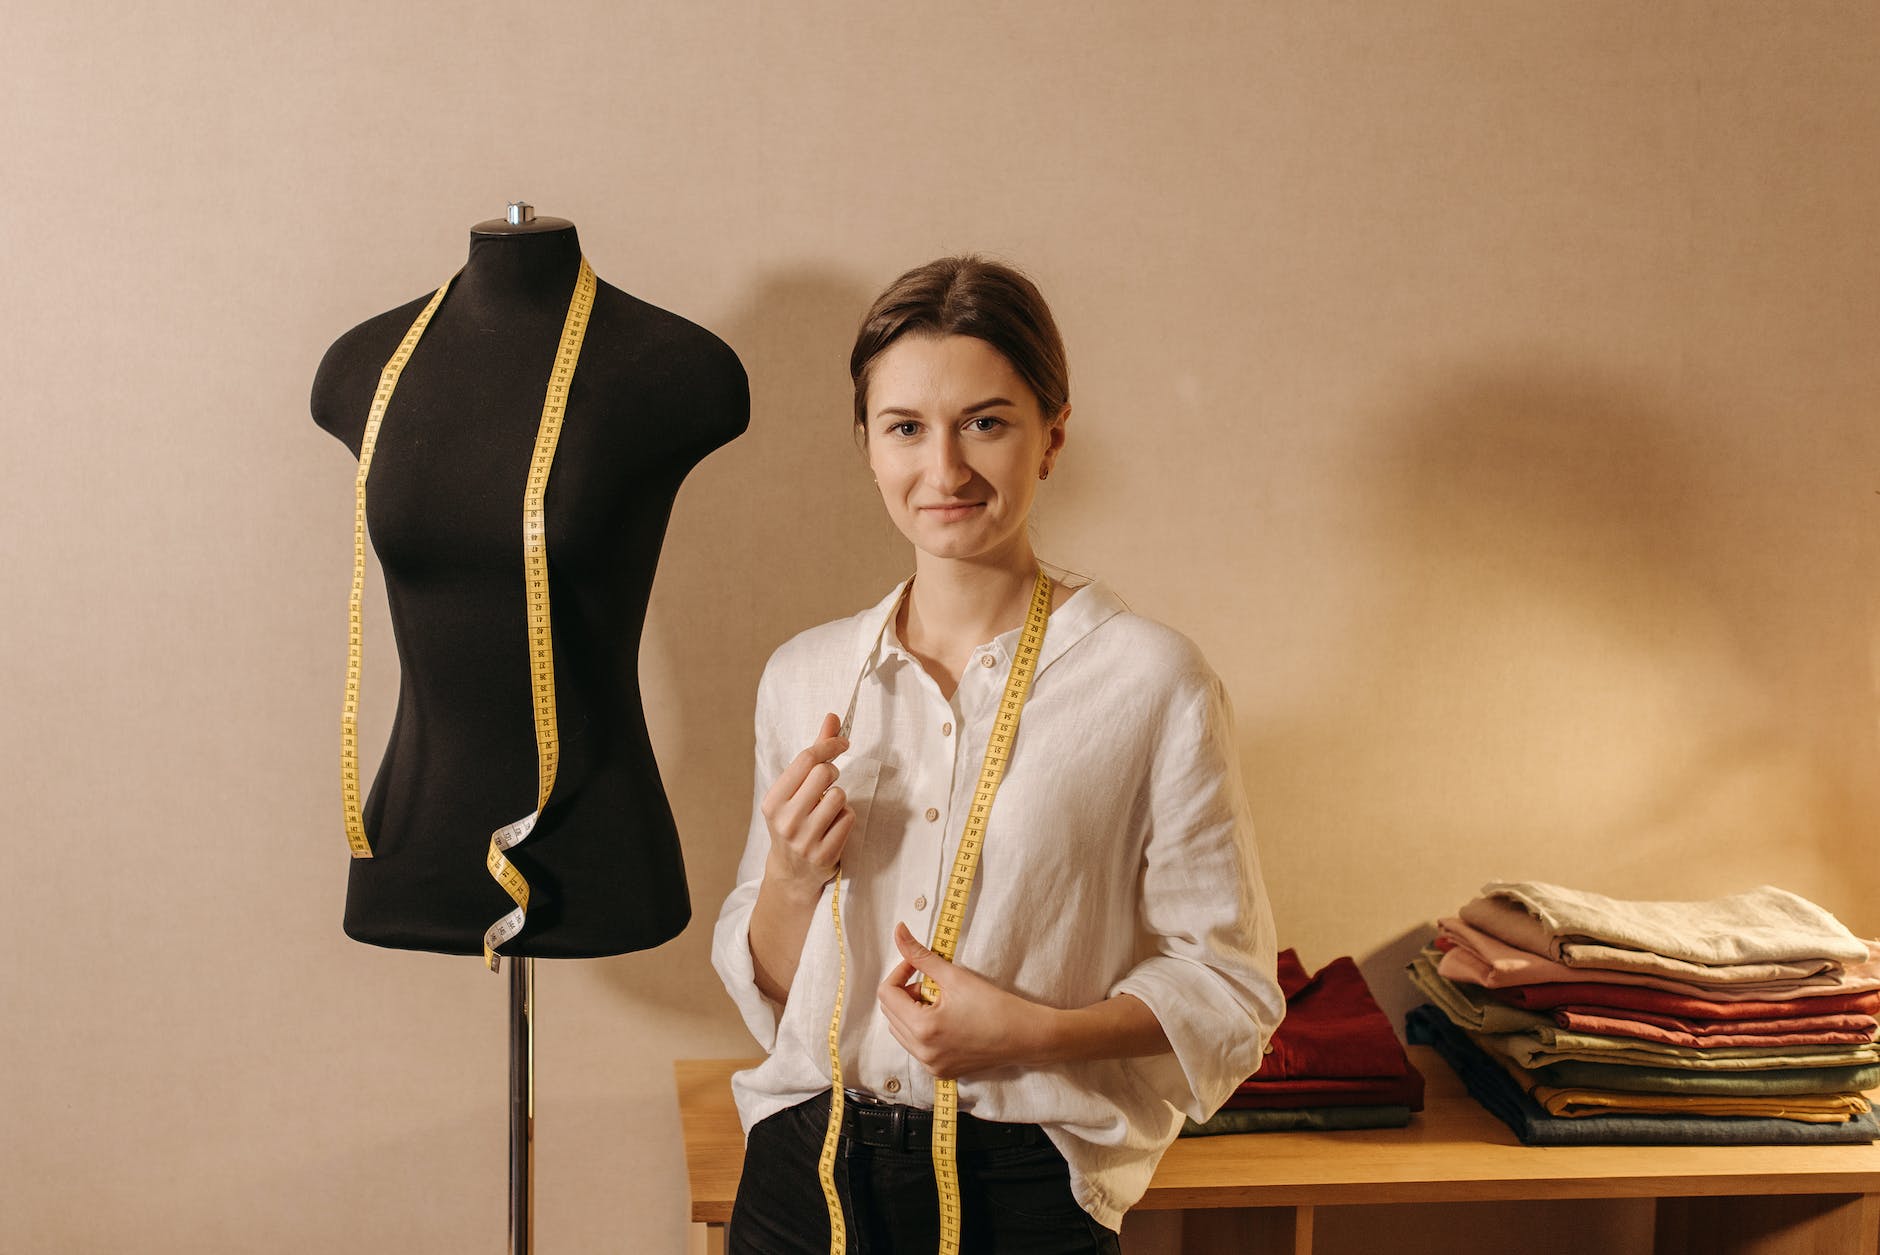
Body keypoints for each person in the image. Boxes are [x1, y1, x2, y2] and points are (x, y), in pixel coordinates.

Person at [711, 256, 1283, 1252]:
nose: (944, 470)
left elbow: (1228, 985)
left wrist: (1027, 1033)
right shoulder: (802, 678)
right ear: (866, 445)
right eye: (904, 428)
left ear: (1052, 435)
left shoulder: (1151, 681)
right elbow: (775, 983)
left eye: (985, 421)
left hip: (1021, 1194)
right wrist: (793, 879)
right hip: (803, 1176)